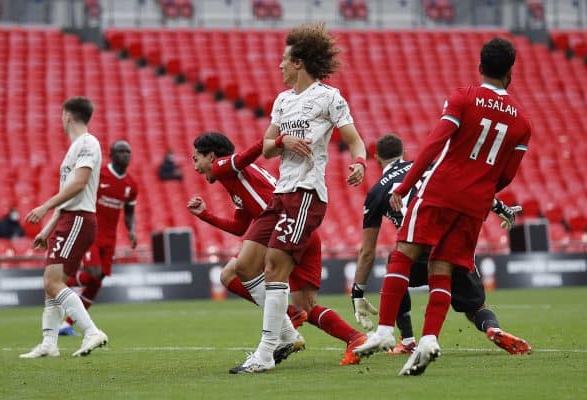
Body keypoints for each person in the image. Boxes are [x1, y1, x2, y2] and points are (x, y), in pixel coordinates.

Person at [353, 38, 532, 376]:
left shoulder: (463, 97)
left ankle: (385, 331)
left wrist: (404, 187)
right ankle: (429, 339)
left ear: (480, 68)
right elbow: (506, 175)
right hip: (475, 205)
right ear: (510, 73)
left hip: (441, 191)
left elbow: (435, 143)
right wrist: (480, 190)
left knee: (402, 254)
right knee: (443, 267)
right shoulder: (522, 124)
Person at [230, 22, 367, 374]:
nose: (279, 65)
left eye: (283, 60)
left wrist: (359, 162)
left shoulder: (329, 97)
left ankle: (265, 352)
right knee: (244, 267)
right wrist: (283, 143)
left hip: (306, 194)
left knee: (274, 267)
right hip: (280, 193)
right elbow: (265, 147)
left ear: (298, 63)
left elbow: (354, 139)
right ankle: (287, 334)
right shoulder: (282, 101)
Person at [188, 132, 366, 368]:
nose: (196, 167)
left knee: (235, 272)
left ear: (211, 156)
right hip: (301, 228)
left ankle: (283, 327)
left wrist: (277, 141)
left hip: (284, 224)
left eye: (196, 159)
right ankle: (355, 338)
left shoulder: (223, 167)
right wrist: (206, 215)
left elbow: (242, 158)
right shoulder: (239, 183)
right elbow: (240, 227)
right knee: (306, 307)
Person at [352, 134, 531, 355]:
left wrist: (357, 293)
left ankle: (407, 341)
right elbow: (467, 186)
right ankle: (493, 328)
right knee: (476, 307)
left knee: (395, 272)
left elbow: (367, 252)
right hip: (450, 244)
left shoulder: (377, 191)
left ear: (376, 157)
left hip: (415, 249)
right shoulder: (430, 167)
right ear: (405, 153)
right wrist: (501, 208)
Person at [20, 96, 108, 358]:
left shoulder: (88, 143)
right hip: (69, 218)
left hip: (79, 218)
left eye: (61, 116)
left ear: (67, 116)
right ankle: (49, 343)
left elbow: (79, 184)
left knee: (53, 281)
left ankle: (91, 331)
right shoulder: (74, 148)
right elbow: (67, 194)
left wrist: (44, 207)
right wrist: (47, 230)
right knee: (51, 284)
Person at [59, 140, 138, 336]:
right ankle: (59, 284)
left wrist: (132, 230)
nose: (125, 155)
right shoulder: (98, 174)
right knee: (93, 273)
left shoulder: (131, 184)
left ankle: (66, 324)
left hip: (109, 239)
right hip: (90, 232)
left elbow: (129, 212)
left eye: (128, 151)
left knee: (97, 281)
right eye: (121, 151)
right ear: (111, 154)